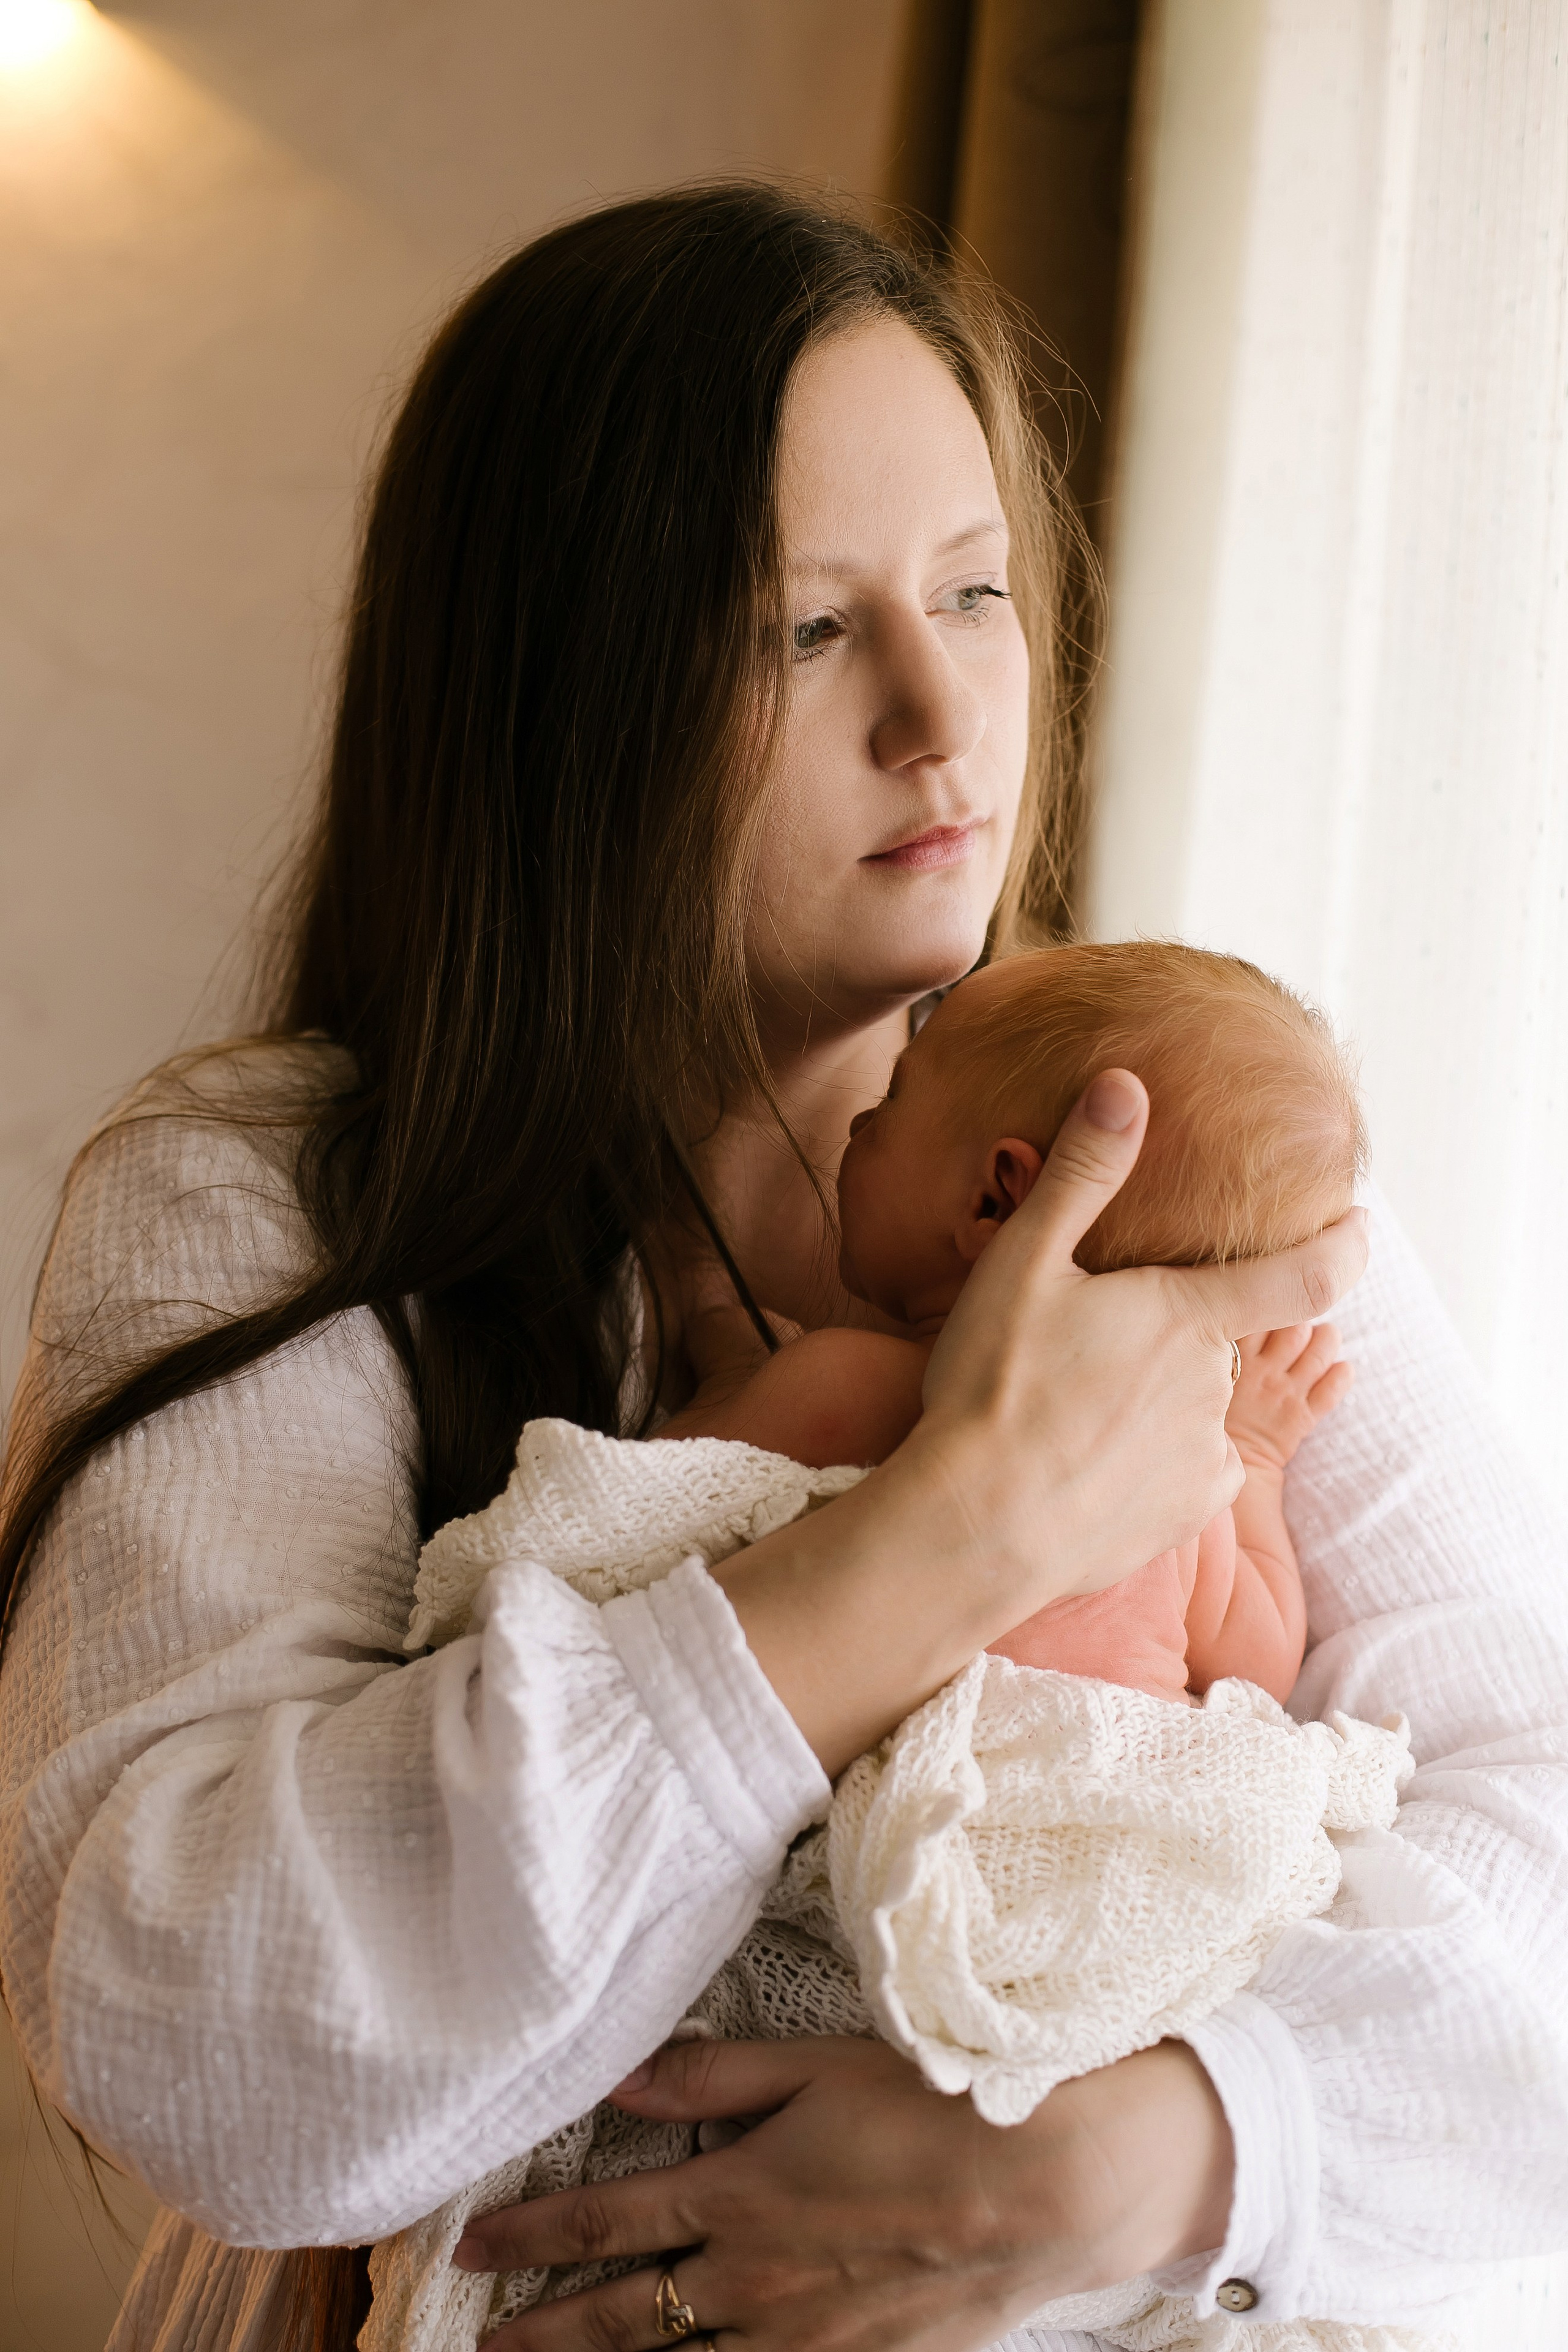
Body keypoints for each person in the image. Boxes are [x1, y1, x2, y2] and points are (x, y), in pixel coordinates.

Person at [0, 183, 1559, 2352]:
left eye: (978, 591)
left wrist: (1141, 2158)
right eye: (804, 629)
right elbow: (195, 2039)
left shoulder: (1197, 1163)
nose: (944, 717)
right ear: (563, 703)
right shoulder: (264, 1198)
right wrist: (945, 1536)